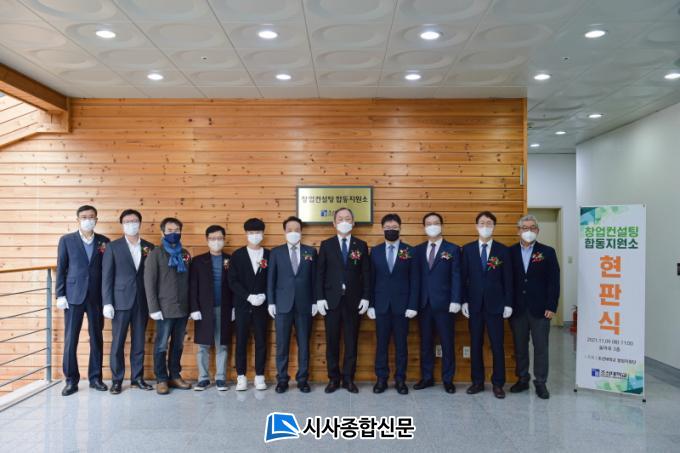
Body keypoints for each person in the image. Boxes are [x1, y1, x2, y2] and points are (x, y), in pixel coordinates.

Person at [55, 205, 109, 396]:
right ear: (78, 219)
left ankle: (96, 378)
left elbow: (107, 271)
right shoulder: (66, 240)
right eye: (84, 217)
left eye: (91, 217)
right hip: (73, 296)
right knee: (71, 339)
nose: (88, 220)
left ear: (96, 219)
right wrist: (60, 294)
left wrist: (107, 299)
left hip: (96, 297)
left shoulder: (104, 242)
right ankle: (71, 380)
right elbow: (61, 268)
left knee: (96, 338)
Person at [316, 207, 370, 394]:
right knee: (332, 342)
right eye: (340, 219)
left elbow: (366, 273)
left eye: (348, 218)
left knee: (351, 341)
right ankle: (333, 379)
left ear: (353, 222)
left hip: (353, 302)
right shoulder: (326, 245)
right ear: (334, 223)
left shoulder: (361, 245)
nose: (344, 221)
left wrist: (366, 297)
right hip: (331, 301)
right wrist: (320, 298)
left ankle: (348, 379)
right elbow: (320, 273)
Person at [102, 209, 155, 394]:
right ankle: (117, 380)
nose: (131, 224)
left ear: (140, 223)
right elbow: (106, 276)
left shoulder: (149, 247)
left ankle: (137, 378)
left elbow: (152, 277)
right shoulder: (113, 247)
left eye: (134, 221)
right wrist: (107, 302)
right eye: (127, 221)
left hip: (142, 301)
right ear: (122, 224)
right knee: (118, 343)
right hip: (120, 301)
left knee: (139, 342)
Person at [461, 211, 513, 399]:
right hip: (474, 306)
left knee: (497, 345)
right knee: (475, 344)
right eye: (482, 223)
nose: (485, 226)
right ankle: (477, 381)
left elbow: (508, 279)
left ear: (494, 226)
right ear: (476, 226)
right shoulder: (467, 250)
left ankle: (498, 383)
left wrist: (508, 303)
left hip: (496, 305)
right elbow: (463, 278)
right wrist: (464, 300)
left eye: (489, 223)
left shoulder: (503, 250)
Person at [509, 214, 560, 399]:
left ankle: (540, 382)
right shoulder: (510, 252)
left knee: (541, 347)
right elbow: (507, 281)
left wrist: (551, 306)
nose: (528, 231)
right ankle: (523, 378)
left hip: (541, 309)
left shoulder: (548, 252)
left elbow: (554, 281)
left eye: (532, 228)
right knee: (520, 347)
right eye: (525, 228)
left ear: (537, 230)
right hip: (517, 309)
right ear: (518, 231)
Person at [368, 213, 419, 395]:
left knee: (401, 345)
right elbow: (371, 280)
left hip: (402, 307)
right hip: (381, 305)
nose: (391, 230)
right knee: (381, 344)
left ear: (400, 228)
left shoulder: (410, 251)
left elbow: (415, 280)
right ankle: (381, 379)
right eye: (388, 228)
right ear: (382, 229)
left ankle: (400, 380)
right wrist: (371, 304)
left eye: (394, 227)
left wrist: (413, 305)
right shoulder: (375, 251)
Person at [266, 216, 317, 393]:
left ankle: (302, 379)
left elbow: (315, 279)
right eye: (290, 230)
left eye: (297, 230)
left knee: (304, 344)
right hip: (282, 305)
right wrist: (271, 302)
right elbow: (271, 279)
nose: (293, 233)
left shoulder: (310, 251)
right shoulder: (276, 252)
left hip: (304, 305)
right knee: (282, 344)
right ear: (284, 232)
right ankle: (282, 379)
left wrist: (315, 301)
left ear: (301, 231)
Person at [413, 212, 462, 394]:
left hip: (445, 304)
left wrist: (456, 299)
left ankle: (448, 379)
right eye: (429, 223)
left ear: (441, 225)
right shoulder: (418, 250)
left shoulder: (453, 249)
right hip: (424, 304)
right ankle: (427, 377)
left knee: (447, 343)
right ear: (424, 227)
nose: (432, 226)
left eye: (435, 223)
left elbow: (456, 276)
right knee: (425, 343)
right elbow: (415, 279)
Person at [144, 217, 192, 395]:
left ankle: (175, 376)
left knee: (178, 345)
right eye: (170, 230)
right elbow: (149, 283)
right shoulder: (156, 254)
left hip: (182, 308)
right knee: (161, 345)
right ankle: (161, 379)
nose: (174, 233)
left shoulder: (185, 254)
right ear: (162, 232)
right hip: (163, 309)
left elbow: (189, 281)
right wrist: (153, 308)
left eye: (177, 230)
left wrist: (191, 307)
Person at [189, 225, 234, 392]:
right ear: (207, 240)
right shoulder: (198, 261)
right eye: (213, 238)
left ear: (224, 239)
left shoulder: (231, 260)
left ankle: (221, 378)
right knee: (203, 345)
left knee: (222, 344)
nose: (216, 241)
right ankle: (203, 378)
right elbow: (192, 286)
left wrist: (234, 307)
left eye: (219, 238)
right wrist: (194, 308)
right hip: (203, 309)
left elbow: (235, 285)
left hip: (224, 307)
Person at [228, 218, 270, 391]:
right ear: (246, 234)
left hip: (262, 306)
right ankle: (241, 376)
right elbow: (232, 281)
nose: (255, 235)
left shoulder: (269, 255)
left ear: (263, 233)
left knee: (261, 341)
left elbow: (273, 279)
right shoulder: (237, 255)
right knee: (241, 341)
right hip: (242, 305)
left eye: (257, 232)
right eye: (251, 232)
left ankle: (260, 376)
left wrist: (265, 295)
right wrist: (248, 296)